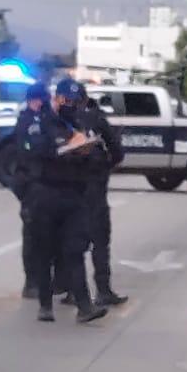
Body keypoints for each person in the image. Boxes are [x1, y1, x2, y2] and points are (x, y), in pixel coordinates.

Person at [23, 78, 107, 324]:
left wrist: (86, 150)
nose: (70, 105)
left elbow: (97, 160)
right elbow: (35, 153)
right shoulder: (40, 122)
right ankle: (45, 305)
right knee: (44, 251)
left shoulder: (78, 124)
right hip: (45, 195)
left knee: (75, 251)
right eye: (66, 100)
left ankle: (85, 307)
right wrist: (66, 148)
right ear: (57, 99)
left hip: (73, 197)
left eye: (75, 101)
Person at [73, 92, 127, 307]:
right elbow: (117, 152)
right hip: (94, 190)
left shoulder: (59, 121)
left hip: (71, 191)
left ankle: (72, 291)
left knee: (73, 243)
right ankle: (103, 290)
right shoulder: (96, 119)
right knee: (100, 241)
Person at [12, 86, 50, 299]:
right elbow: (29, 153)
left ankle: (49, 280)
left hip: (45, 184)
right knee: (33, 235)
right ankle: (32, 281)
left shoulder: (44, 120)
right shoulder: (28, 122)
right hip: (32, 185)